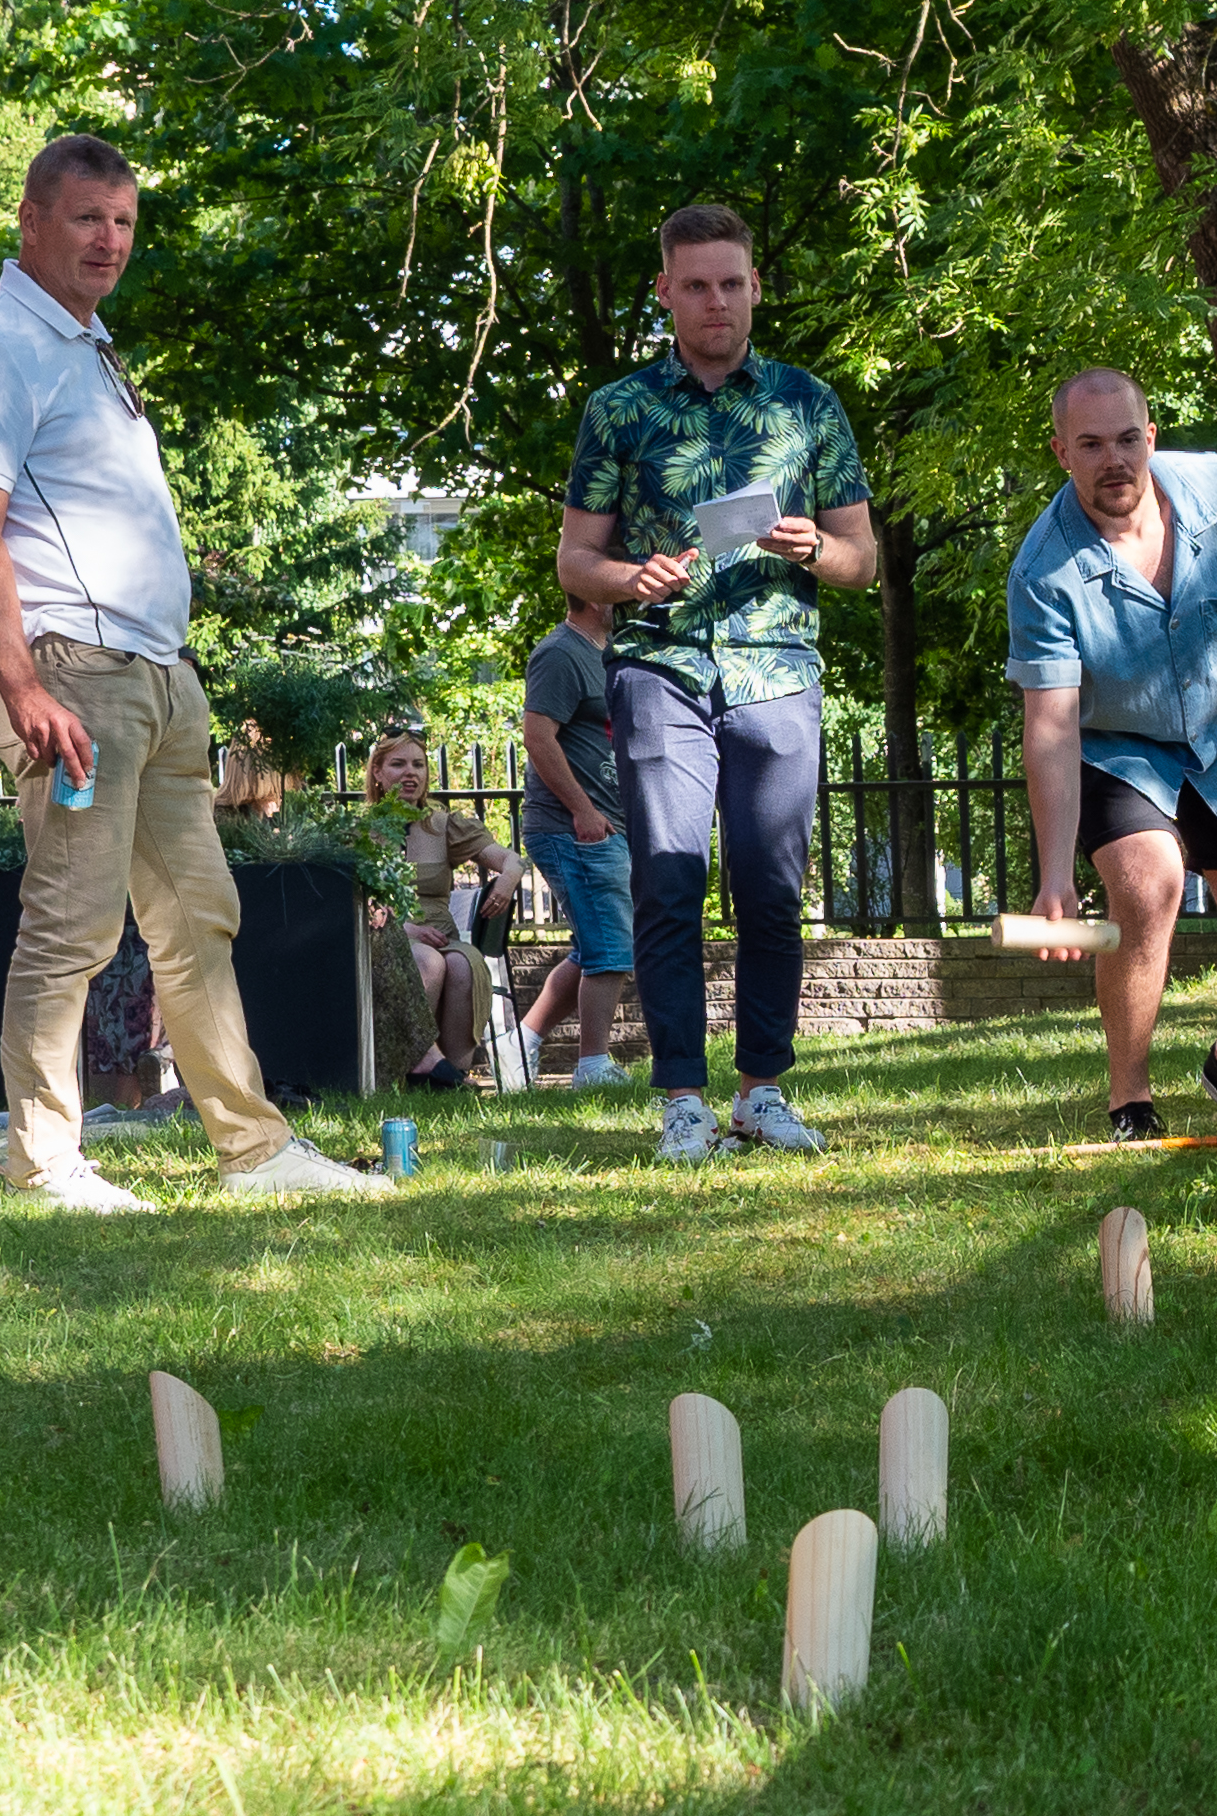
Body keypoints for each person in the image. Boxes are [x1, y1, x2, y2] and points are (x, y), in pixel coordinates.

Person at [0, 129, 389, 1209]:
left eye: (125, 222)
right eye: (88, 217)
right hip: (72, 673)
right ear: (31, 221)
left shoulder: (86, 343)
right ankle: (43, 1165)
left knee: (198, 915)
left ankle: (254, 1151)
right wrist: (25, 686)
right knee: (73, 923)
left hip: (158, 680)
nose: (110, 240)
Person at [555, 202, 877, 1162]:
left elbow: (862, 558)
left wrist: (817, 545)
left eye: (731, 283)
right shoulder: (620, 409)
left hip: (778, 668)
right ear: (665, 292)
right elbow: (576, 559)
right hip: (660, 663)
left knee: (774, 887)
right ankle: (682, 1104)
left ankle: (763, 1092)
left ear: (754, 289)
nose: (716, 302)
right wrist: (629, 580)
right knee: (668, 878)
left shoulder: (807, 402)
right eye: (695, 285)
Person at [1006, 368, 1217, 1141]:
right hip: (1118, 746)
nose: (1116, 459)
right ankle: (1130, 1100)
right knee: (1150, 886)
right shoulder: (1044, 573)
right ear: (1061, 453)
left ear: (1152, 436)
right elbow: (1049, 726)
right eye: (1092, 444)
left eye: (1128, 438)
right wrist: (1052, 878)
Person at [515, 591, 636, 1087]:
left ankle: (520, 1043)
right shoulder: (560, 653)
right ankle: (592, 1065)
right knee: (611, 946)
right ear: (592, 592)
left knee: (594, 947)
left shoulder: (609, 651)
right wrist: (583, 811)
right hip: (573, 826)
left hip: (601, 824)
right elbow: (537, 735)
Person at [364, 731, 519, 1090]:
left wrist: (509, 879)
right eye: (398, 764)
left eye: (418, 764)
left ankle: (453, 1075)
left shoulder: (443, 826)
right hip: (388, 937)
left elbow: (510, 859)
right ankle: (413, 1069)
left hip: (442, 934)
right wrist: (405, 930)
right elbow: (357, 902)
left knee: (463, 963)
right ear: (377, 771)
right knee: (429, 962)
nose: (411, 773)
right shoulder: (361, 833)